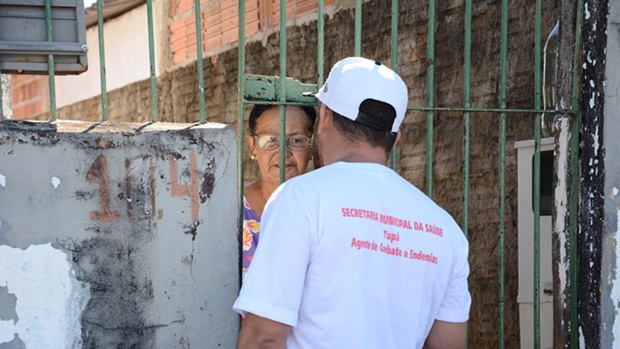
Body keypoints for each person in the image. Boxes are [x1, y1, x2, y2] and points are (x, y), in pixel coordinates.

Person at [233, 57, 471, 349]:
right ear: (395, 138)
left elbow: (263, 338)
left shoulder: (301, 199)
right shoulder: (446, 231)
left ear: (326, 118)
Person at [242, 104, 316, 281]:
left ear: (312, 146)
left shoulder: (325, 211)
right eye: (270, 139)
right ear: (252, 146)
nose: (283, 152)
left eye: (297, 140)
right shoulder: (232, 211)